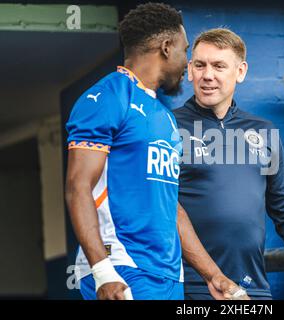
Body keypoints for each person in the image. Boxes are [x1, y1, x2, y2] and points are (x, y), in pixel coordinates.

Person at [65, 3, 245, 300]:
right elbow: (77, 186)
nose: (186, 63)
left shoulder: (164, 116)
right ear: (166, 47)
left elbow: (171, 206)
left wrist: (214, 276)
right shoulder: (106, 97)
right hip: (122, 269)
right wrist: (102, 271)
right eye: (184, 51)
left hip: (168, 275)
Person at [173, 28, 284, 300]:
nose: (207, 75)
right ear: (189, 70)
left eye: (219, 66)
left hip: (252, 289)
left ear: (240, 71)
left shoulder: (263, 132)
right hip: (190, 287)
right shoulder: (167, 126)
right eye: (200, 65)